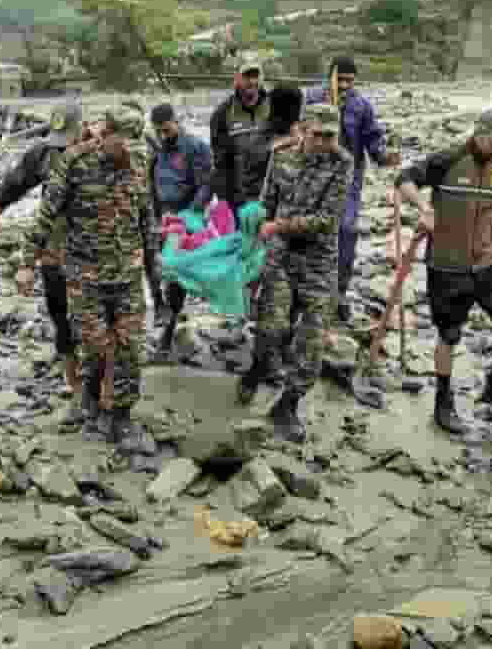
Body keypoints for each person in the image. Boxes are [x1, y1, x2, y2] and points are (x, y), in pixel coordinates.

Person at [16, 111, 151, 449]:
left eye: (134, 144)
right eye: (122, 142)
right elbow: (47, 214)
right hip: (85, 275)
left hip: (127, 274)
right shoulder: (75, 163)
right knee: (94, 344)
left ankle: (121, 415)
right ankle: (90, 396)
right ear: (106, 135)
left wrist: (156, 259)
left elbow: (145, 213)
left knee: (130, 346)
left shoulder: (141, 159)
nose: (129, 151)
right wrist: (27, 263)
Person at [394, 107, 492, 433]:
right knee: (449, 334)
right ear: (478, 135)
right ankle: (443, 401)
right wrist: (425, 208)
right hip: (447, 264)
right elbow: (404, 180)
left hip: (487, 262)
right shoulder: (448, 160)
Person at [237, 104, 351, 443]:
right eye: (319, 135)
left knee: (312, 344)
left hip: (318, 262)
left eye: (332, 136)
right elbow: (267, 199)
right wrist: (253, 231)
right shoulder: (283, 155)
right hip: (281, 258)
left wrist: (277, 226)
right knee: (271, 329)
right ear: (302, 129)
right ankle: (257, 369)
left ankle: (287, 405)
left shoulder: (341, 163)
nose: (325, 143)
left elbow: (327, 220)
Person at [0, 102, 85, 404]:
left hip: (94, 252)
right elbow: (11, 188)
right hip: (54, 249)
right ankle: (73, 379)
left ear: (82, 130)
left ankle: (101, 379)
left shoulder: (100, 153)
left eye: (68, 140)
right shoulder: (43, 153)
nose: (64, 147)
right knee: (60, 314)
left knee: (95, 316)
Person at [302, 56, 401, 322]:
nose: (344, 85)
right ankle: (304, 289)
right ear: (330, 76)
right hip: (312, 175)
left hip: (348, 179)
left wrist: (384, 156)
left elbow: (373, 138)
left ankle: (340, 292)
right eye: (340, 79)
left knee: (345, 230)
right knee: (309, 230)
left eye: (350, 80)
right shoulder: (312, 98)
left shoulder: (361, 105)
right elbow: (298, 131)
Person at [147, 102, 214, 354]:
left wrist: (190, 217)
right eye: (159, 132)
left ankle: (169, 329)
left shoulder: (196, 147)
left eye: (166, 130)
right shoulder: (157, 151)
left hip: (185, 216)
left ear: (177, 122)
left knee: (176, 276)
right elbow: (152, 186)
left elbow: (207, 185)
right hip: (162, 217)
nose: (163, 135)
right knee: (161, 271)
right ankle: (167, 317)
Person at [209, 54, 275, 215]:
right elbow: (220, 162)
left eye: (255, 76)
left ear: (262, 78)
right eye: (247, 76)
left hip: (271, 197)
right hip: (239, 200)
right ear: (237, 79)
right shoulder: (222, 113)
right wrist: (224, 200)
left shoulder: (276, 107)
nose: (252, 81)